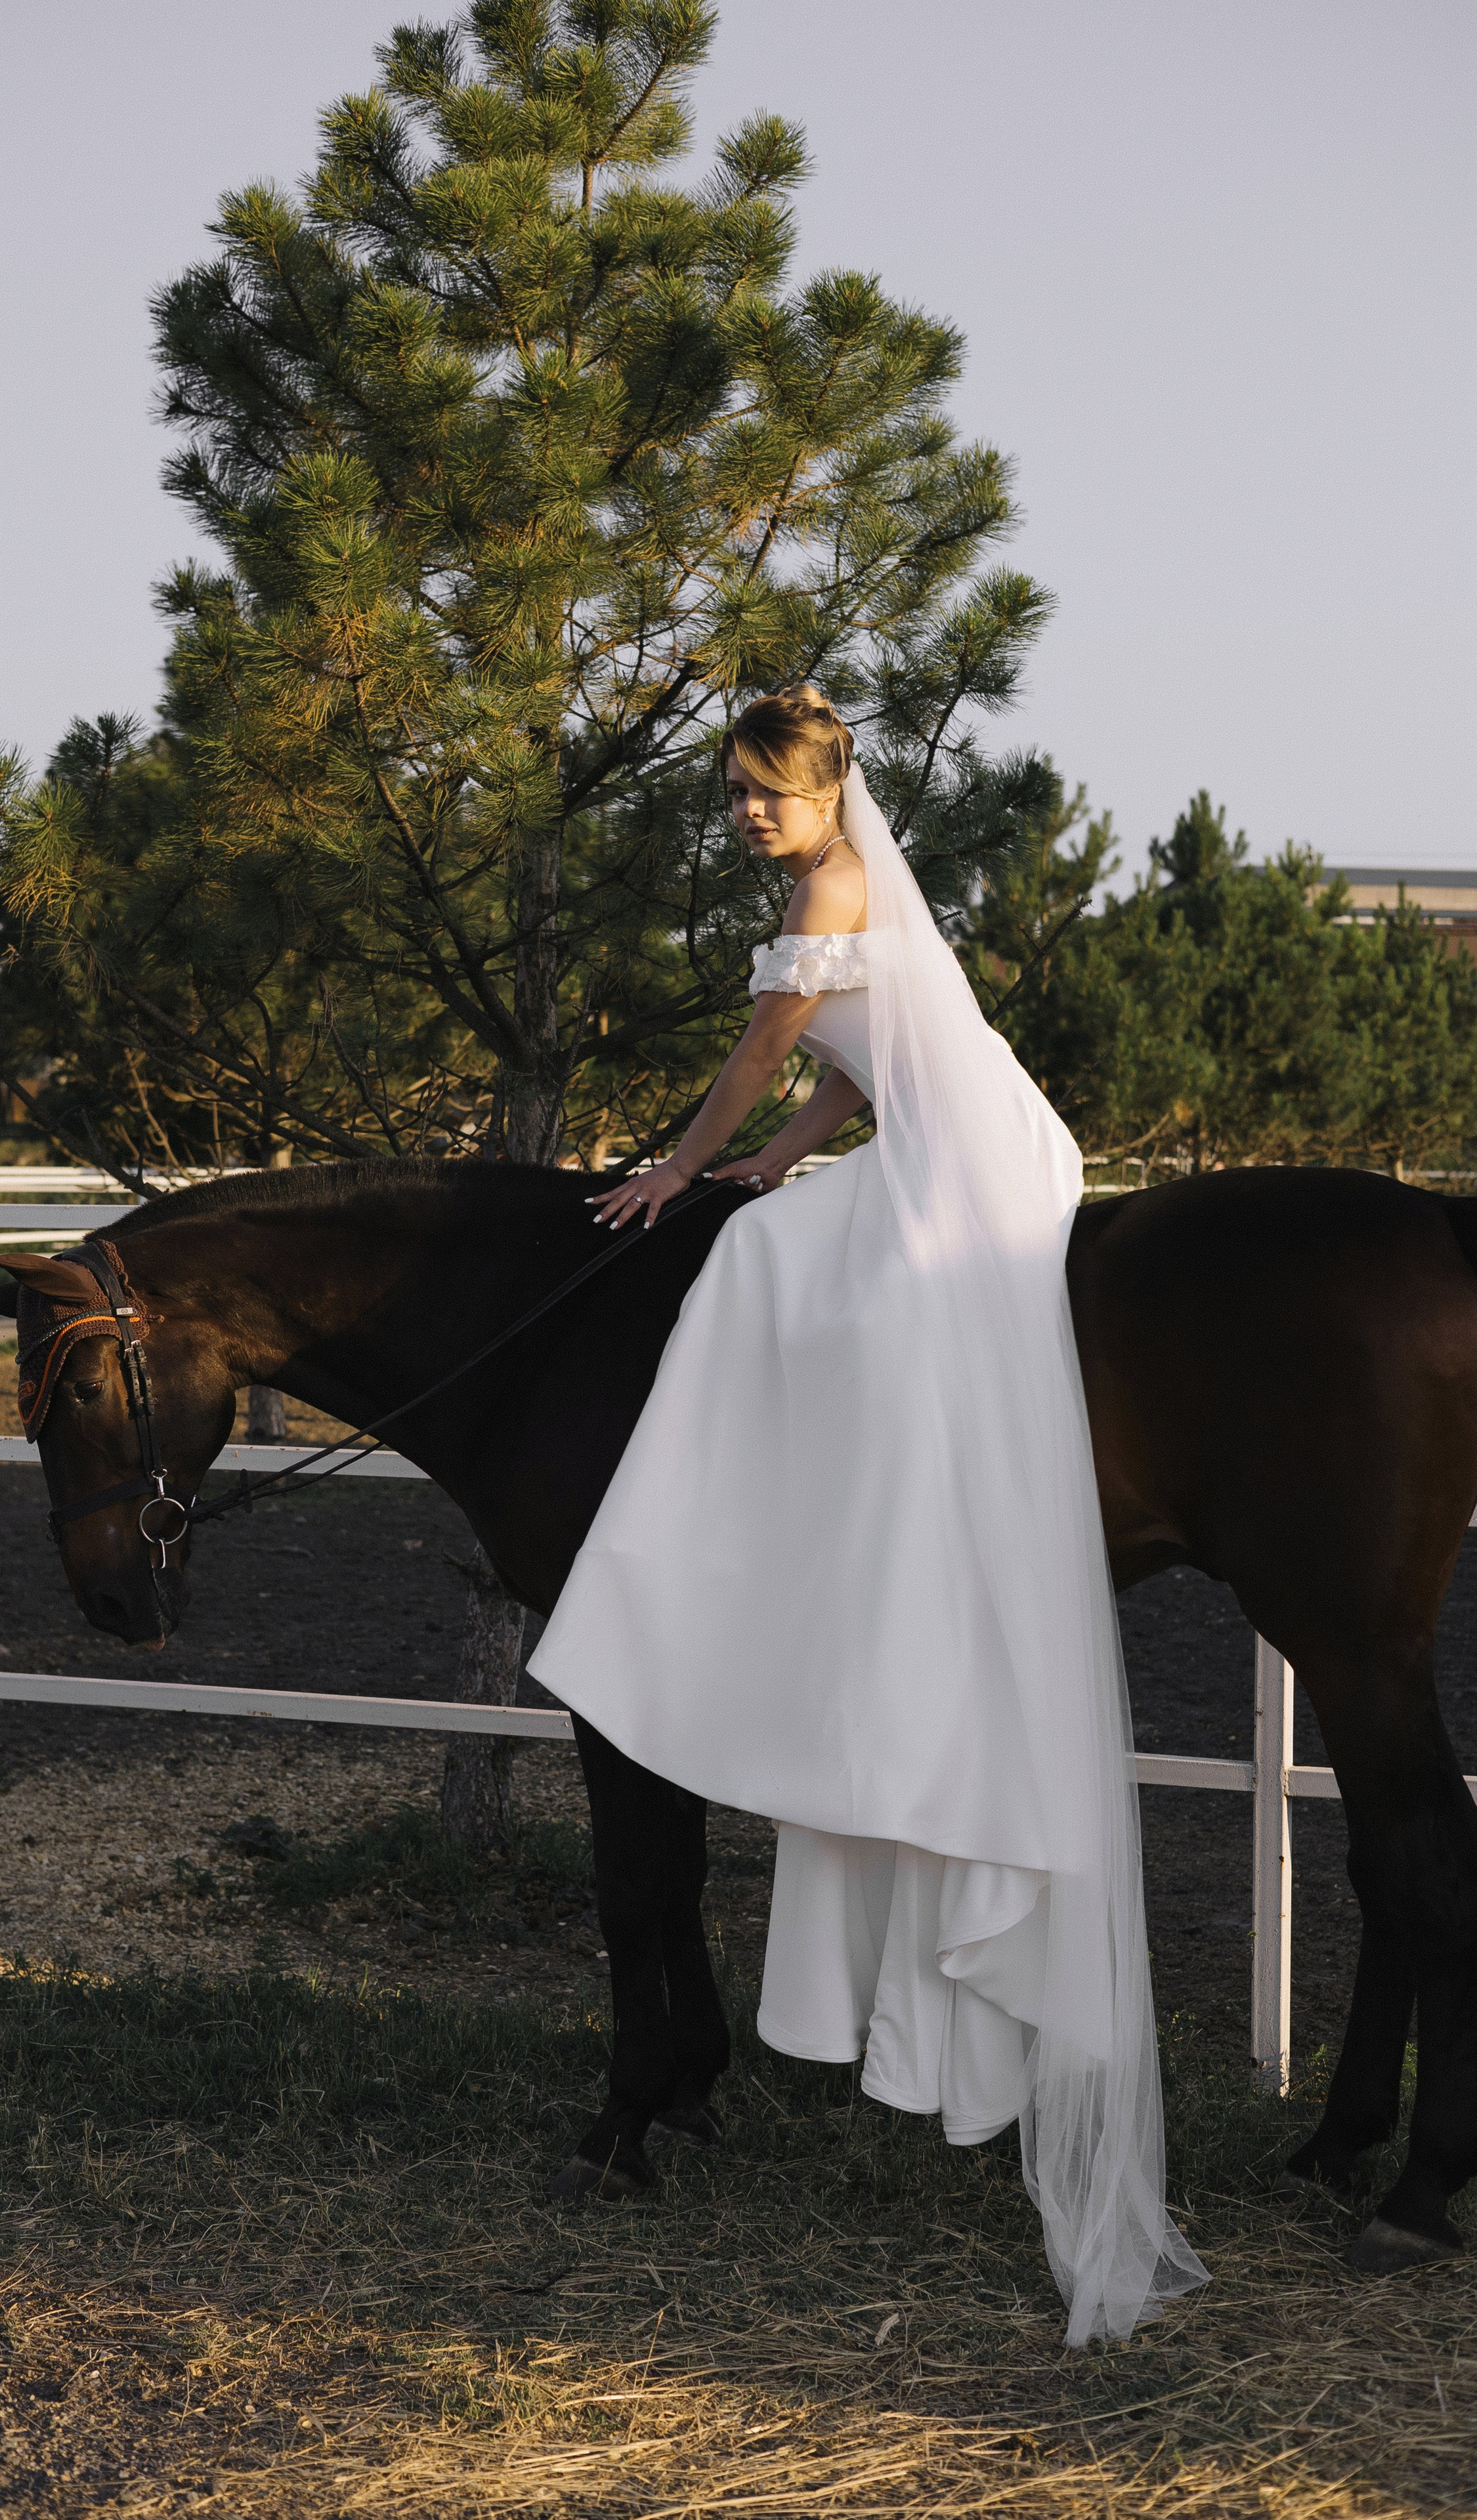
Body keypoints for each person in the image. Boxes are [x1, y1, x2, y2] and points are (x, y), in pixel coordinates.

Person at [529, 686, 1208, 2348]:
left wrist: (692, 1172)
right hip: (929, 1139)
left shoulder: (833, 891)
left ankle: (807, 1519)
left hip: (968, 1176)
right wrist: (786, 1156)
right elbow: (852, 1069)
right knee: (779, 1238)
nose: (755, 816)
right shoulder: (834, 898)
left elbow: (775, 1046)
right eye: (743, 796)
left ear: (832, 788)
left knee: (767, 1272)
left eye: (775, 792)